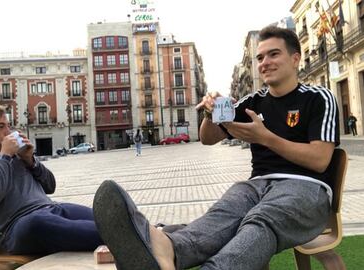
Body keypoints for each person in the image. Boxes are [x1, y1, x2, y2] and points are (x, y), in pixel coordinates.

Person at [92, 26, 340, 270]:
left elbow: (319, 160)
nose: (264, 62)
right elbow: (209, 138)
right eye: (260, 57)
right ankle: (168, 248)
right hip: (257, 186)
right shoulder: (251, 102)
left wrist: (266, 138)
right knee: (222, 216)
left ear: (295, 58)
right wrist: (211, 114)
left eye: (274, 54)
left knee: (261, 220)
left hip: (307, 189)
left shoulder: (318, 97)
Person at [0, 105, 103, 255]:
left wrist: (30, 160)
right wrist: (5, 155)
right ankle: (117, 236)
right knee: (39, 223)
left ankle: (122, 229)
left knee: (105, 219)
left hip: (52, 208)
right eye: (0, 127)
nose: (8, 132)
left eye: (8, 126)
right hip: (17, 226)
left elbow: (50, 186)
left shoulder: (16, 155)